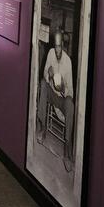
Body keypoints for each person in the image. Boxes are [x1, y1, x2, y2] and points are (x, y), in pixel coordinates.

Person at [36, 29, 75, 172]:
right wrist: (49, 74)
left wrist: (63, 88)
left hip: (62, 98)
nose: (57, 50)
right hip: (52, 92)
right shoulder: (51, 53)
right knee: (43, 85)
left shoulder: (68, 62)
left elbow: (71, 91)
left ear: (63, 47)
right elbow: (44, 73)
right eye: (56, 46)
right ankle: (43, 128)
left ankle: (67, 148)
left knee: (70, 105)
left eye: (59, 47)